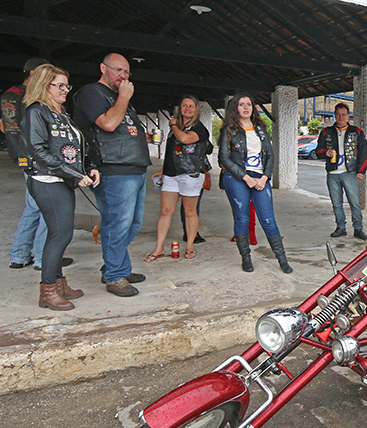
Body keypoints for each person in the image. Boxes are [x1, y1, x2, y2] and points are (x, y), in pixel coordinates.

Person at [21, 64, 100, 310]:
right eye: (60, 85)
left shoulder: (60, 113)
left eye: (67, 85)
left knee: (61, 234)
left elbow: (75, 149)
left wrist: (89, 167)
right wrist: (74, 175)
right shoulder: (37, 112)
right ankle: (48, 291)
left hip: (63, 180)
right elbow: (39, 152)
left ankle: (58, 283)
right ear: (44, 86)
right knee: (60, 234)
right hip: (48, 181)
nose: (66, 90)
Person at [74, 53, 152, 296]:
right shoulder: (91, 93)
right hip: (112, 169)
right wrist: (124, 97)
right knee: (117, 224)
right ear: (103, 68)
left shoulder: (118, 98)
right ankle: (115, 276)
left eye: (127, 72)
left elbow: (123, 127)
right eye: (118, 70)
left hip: (134, 168)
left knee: (133, 223)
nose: (123, 76)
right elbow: (108, 124)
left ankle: (116, 266)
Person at [218, 93, 292, 274]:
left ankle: (282, 259)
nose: (245, 107)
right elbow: (224, 158)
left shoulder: (260, 128)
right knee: (242, 218)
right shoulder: (229, 129)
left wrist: (265, 177)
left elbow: (270, 155)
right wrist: (246, 178)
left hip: (260, 178)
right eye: (241, 104)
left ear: (253, 108)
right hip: (238, 178)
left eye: (248, 104)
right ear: (235, 108)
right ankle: (246, 258)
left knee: (268, 219)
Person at [2, 57, 61, 271]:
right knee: (47, 207)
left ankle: (19, 254)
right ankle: (42, 258)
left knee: (33, 206)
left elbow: (3, 126)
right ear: (35, 72)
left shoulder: (10, 94)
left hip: (21, 155)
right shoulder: (32, 98)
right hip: (38, 158)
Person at [145, 95, 210, 262]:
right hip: (171, 174)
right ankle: (159, 248)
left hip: (191, 174)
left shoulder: (200, 129)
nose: (187, 109)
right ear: (180, 108)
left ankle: (189, 247)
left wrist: (173, 125)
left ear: (196, 110)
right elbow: (172, 151)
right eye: (184, 106)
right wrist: (162, 169)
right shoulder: (177, 128)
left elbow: (185, 139)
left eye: (191, 106)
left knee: (189, 212)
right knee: (165, 211)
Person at [316, 103, 367, 240]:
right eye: (338, 114)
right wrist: (325, 153)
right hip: (332, 173)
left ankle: (358, 228)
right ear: (334, 115)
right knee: (336, 203)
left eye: (343, 114)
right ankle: (341, 227)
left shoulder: (356, 132)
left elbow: (365, 152)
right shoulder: (326, 132)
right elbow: (318, 151)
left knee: (355, 203)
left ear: (348, 116)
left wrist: (361, 171)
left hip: (350, 172)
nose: (341, 117)